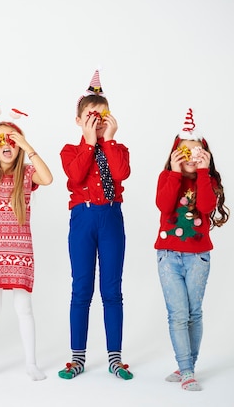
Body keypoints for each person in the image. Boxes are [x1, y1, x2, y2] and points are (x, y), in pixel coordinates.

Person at [0, 113, 53, 385]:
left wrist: (27, 146)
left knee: (23, 307)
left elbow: (48, 178)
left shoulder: (27, 173)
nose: (7, 144)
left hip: (20, 250)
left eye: (11, 139)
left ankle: (31, 364)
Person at [59, 70, 133, 380]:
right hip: (83, 218)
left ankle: (115, 358)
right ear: (78, 120)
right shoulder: (70, 150)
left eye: (103, 115)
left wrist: (109, 139)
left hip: (111, 217)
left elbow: (121, 174)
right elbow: (75, 177)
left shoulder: (119, 148)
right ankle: (77, 358)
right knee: (81, 289)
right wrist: (90, 143)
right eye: (90, 115)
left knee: (112, 290)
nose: (97, 120)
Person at [155, 109, 229, 391]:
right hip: (167, 256)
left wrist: (202, 171)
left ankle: (189, 367)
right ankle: (186, 370)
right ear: (174, 154)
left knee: (193, 312)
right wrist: (175, 173)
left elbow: (207, 208)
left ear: (206, 156)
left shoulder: (206, 181)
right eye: (184, 152)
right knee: (177, 314)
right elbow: (164, 206)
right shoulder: (166, 177)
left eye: (196, 153)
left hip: (198, 257)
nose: (190, 157)